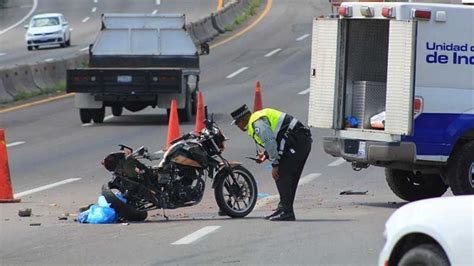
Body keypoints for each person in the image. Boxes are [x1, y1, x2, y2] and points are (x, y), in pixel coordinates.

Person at [230, 104, 312, 221]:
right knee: (288, 177)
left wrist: (275, 164)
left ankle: (287, 212)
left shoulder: (256, 122)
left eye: (237, 123)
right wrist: (266, 155)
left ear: (242, 120)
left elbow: (269, 140)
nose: (237, 126)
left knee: (281, 175)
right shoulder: (257, 119)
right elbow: (278, 136)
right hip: (298, 140)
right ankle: (283, 209)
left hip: (297, 141)